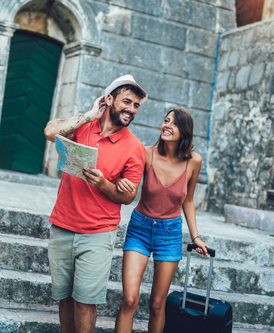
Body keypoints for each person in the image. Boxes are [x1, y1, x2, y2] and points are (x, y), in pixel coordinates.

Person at [43, 75, 148, 333]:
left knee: (85, 301)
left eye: (136, 105)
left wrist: (103, 184)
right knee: (64, 297)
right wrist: (90, 115)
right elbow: (49, 132)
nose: (131, 109)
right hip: (63, 225)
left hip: (98, 232)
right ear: (108, 99)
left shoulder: (135, 148)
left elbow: (127, 197)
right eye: (126, 102)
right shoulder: (83, 127)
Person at [114, 108, 210, 333]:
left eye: (174, 124)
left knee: (157, 304)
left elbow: (188, 201)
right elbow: (127, 183)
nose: (167, 125)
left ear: (184, 131)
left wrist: (195, 237)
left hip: (170, 234)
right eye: (166, 121)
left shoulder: (194, 162)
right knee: (129, 300)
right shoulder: (146, 154)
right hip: (140, 229)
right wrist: (119, 182)